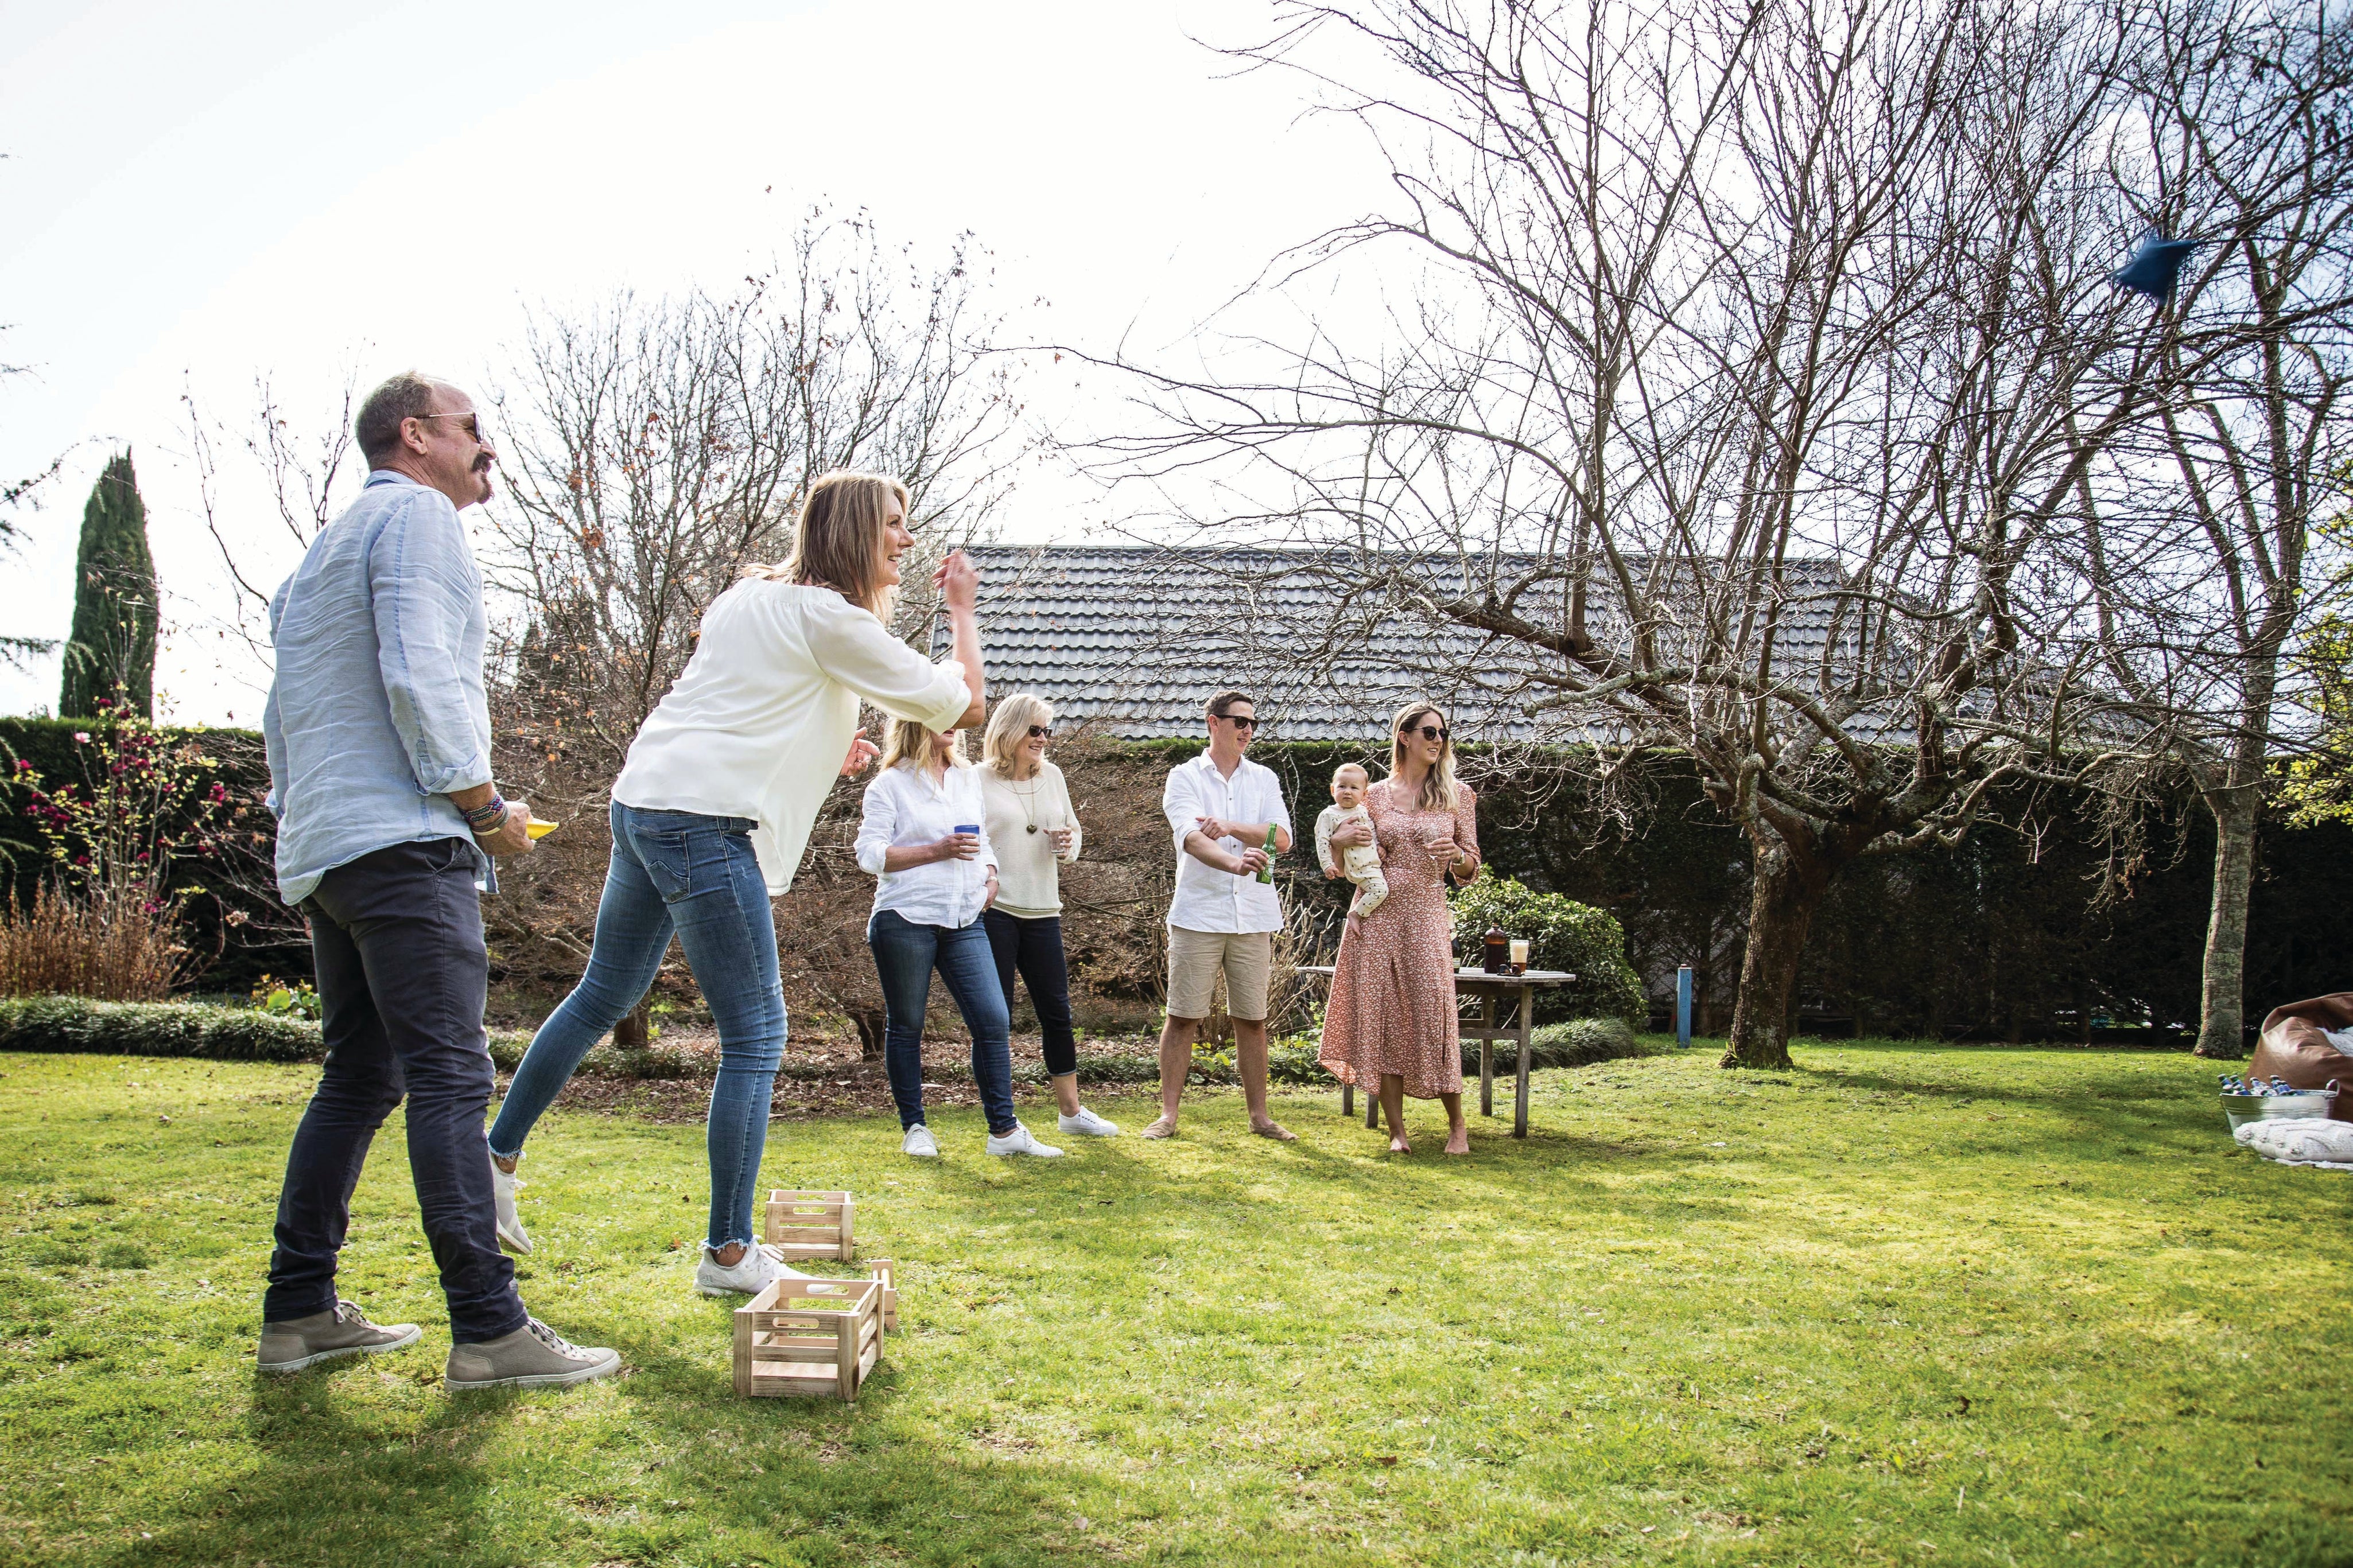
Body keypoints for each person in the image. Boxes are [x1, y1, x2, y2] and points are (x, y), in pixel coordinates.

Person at [486, 472, 984, 1297]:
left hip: (644, 802)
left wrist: (836, 745)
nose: (906, 538)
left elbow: (745, 703)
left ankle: (494, 1156)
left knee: (606, 991)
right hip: (705, 824)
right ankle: (727, 1252)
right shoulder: (830, 615)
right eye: (895, 524)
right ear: (857, 530)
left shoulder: (748, 597)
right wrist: (962, 609)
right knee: (756, 1033)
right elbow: (959, 708)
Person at [257, 371, 619, 1389]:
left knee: (362, 1075)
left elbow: (283, 717)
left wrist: (307, 826)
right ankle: (490, 1327)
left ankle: (298, 1313)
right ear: (416, 436)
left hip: (330, 849)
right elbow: (420, 672)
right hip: (406, 848)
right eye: (473, 428)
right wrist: (481, 807)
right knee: (453, 1077)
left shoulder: (319, 554)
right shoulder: (417, 519)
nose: (486, 444)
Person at [857, 718, 1063, 1158]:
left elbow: (982, 840)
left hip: (964, 917)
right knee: (908, 1025)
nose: (954, 725)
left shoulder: (966, 779)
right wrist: (937, 850)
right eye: (941, 715)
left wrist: (991, 876)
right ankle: (915, 1127)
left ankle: (1004, 1133)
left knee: (992, 1019)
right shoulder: (889, 785)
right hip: (905, 916)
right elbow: (870, 855)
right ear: (916, 720)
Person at [1317, 702, 1482, 1154]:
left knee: (1434, 1014)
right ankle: (1397, 1132)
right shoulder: (1372, 795)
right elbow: (1340, 858)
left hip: (1427, 912)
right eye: (1429, 731)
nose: (1438, 739)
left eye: (1443, 733)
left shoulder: (1458, 795)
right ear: (1404, 736)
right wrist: (1338, 842)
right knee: (1384, 1018)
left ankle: (1457, 1126)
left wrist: (1456, 857)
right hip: (1376, 913)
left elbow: (1472, 864)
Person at [1144, 690, 1296, 1141]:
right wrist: (1235, 861)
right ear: (1214, 723)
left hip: (1253, 916)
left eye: (1253, 722)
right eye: (1239, 721)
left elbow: (1282, 837)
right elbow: (1190, 838)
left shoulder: (1264, 778)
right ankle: (1168, 1115)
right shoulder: (1184, 776)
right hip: (1199, 914)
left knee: (1252, 1018)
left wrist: (1231, 827)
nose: (1248, 730)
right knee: (1183, 1015)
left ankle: (1260, 1117)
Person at [977, 693, 1119, 1137]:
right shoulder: (975, 779)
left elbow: (1073, 831)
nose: (1043, 739)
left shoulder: (1053, 775)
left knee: (1057, 1013)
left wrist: (1068, 846)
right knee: (994, 1017)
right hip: (994, 910)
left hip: (1043, 909)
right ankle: (1002, 1120)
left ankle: (1071, 1113)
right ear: (1010, 729)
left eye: (1047, 731)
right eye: (1035, 730)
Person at [1314, 762, 1389, 918]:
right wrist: (1328, 865)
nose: (1347, 792)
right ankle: (1356, 914)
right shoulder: (1328, 815)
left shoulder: (1362, 810)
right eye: (1342, 787)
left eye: (1354, 788)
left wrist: (1378, 845)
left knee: (1382, 890)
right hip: (1358, 867)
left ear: (1364, 794)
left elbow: (1372, 831)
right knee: (1381, 891)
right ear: (1332, 790)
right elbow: (1322, 842)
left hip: (1372, 862)